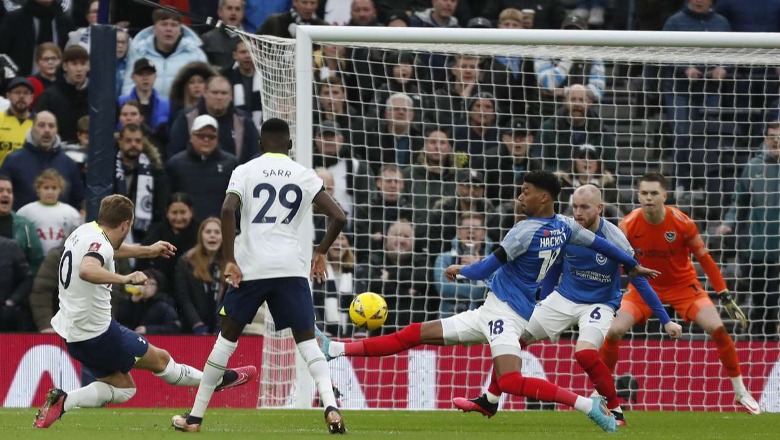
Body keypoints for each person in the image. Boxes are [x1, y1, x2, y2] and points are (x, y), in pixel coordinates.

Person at [317, 170, 663, 433]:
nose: (519, 196)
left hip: (506, 314)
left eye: (526, 192)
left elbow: (488, 265)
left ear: (543, 197)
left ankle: (588, 405)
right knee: (414, 333)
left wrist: (459, 269)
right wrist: (632, 263)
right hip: (491, 310)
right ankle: (337, 349)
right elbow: (600, 244)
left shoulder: (525, 230)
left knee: (511, 379)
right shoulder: (565, 226)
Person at [171, 118, 348, 433]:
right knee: (307, 342)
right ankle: (331, 406)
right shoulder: (304, 174)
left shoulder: (245, 170)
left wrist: (229, 260)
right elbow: (338, 216)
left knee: (226, 339)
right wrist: (320, 252)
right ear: (289, 145)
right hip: (292, 269)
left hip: (252, 267)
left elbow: (227, 210)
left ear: (261, 144)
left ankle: (195, 417)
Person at [452, 185, 683, 425]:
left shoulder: (614, 237)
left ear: (600, 209)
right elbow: (555, 267)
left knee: (584, 353)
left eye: (584, 207)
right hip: (564, 298)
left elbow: (639, 279)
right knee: (513, 338)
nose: (578, 212)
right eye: (575, 207)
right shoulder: (566, 231)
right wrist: (543, 299)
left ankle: (615, 408)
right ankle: (490, 399)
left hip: (600, 303)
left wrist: (665, 320)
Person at [33, 195, 256, 429]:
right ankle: (218, 379)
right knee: (162, 361)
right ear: (126, 224)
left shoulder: (85, 232)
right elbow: (88, 269)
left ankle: (64, 401)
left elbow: (108, 250)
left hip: (74, 336)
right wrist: (124, 277)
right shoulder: (99, 244)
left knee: (124, 389)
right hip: (100, 335)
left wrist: (147, 250)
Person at [600, 172, 761, 415]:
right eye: (644, 193)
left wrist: (723, 292)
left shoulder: (682, 223)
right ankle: (601, 393)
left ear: (665, 195)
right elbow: (617, 263)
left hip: (683, 286)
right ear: (638, 195)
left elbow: (704, 259)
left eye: (654, 193)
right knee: (614, 330)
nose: (649, 198)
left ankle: (740, 392)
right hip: (644, 287)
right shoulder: (628, 225)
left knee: (718, 328)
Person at [716, 123, 780, 337]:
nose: (776, 141)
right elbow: (739, 201)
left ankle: (767, 338)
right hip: (756, 247)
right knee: (761, 299)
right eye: (772, 137)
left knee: (773, 299)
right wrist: (729, 222)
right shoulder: (753, 166)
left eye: (779, 137)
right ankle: (761, 340)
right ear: (765, 139)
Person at [174, 217, 226, 335]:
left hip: (222, 327)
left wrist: (222, 324)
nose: (212, 235)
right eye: (208, 232)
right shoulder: (186, 261)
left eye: (217, 232)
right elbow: (184, 297)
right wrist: (197, 324)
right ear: (201, 235)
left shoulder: (230, 262)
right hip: (193, 327)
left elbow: (230, 298)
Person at [17, 169, 82, 254]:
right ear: (38, 189)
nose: (50, 192)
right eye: (46, 188)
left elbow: (78, 239)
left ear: (60, 190)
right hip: (34, 260)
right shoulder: (25, 212)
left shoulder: (71, 213)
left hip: (60, 259)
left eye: (54, 188)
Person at [0, 77, 35, 166]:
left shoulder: (39, 124)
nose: (21, 96)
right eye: (17, 92)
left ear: (31, 97)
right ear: (8, 96)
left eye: (26, 93)